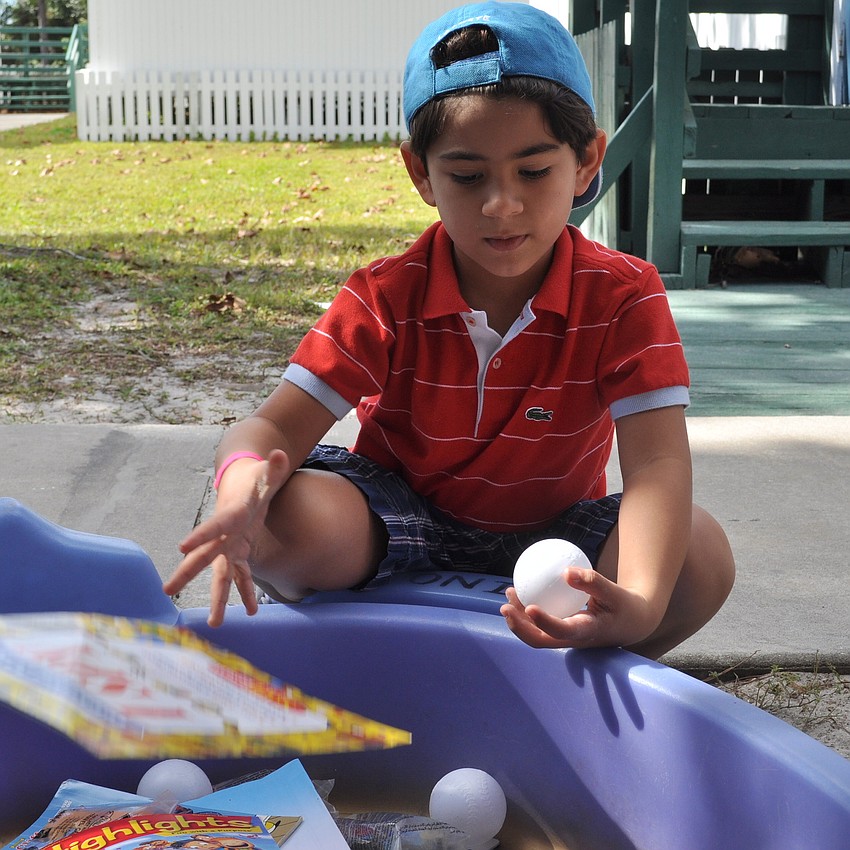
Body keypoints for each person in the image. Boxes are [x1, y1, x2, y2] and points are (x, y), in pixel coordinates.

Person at [164, 2, 735, 659]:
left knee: (698, 556)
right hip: (395, 519)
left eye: (534, 171)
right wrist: (240, 497)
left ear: (585, 161)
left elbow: (658, 464)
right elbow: (270, 429)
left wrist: (638, 602)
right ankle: (350, 649)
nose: (502, 205)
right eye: (467, 176)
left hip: (557, 539)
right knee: (281, 515)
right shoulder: (385, 295)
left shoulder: (624, 296)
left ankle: (581, 668)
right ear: (420, 173)